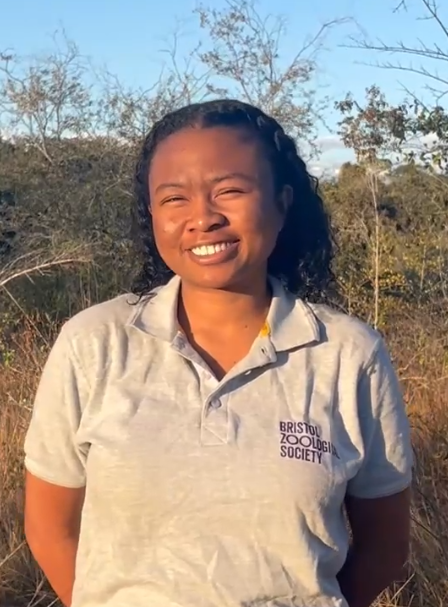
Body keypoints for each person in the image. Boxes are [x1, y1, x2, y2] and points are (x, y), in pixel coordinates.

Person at [24, 99, 413, 607]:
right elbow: (50, 529)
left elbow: (386, 546)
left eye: (230, 191)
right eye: (174, 198)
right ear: (152, 215)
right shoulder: (93, 343)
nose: (202, 218)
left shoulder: (348, 354)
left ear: (282, 202)